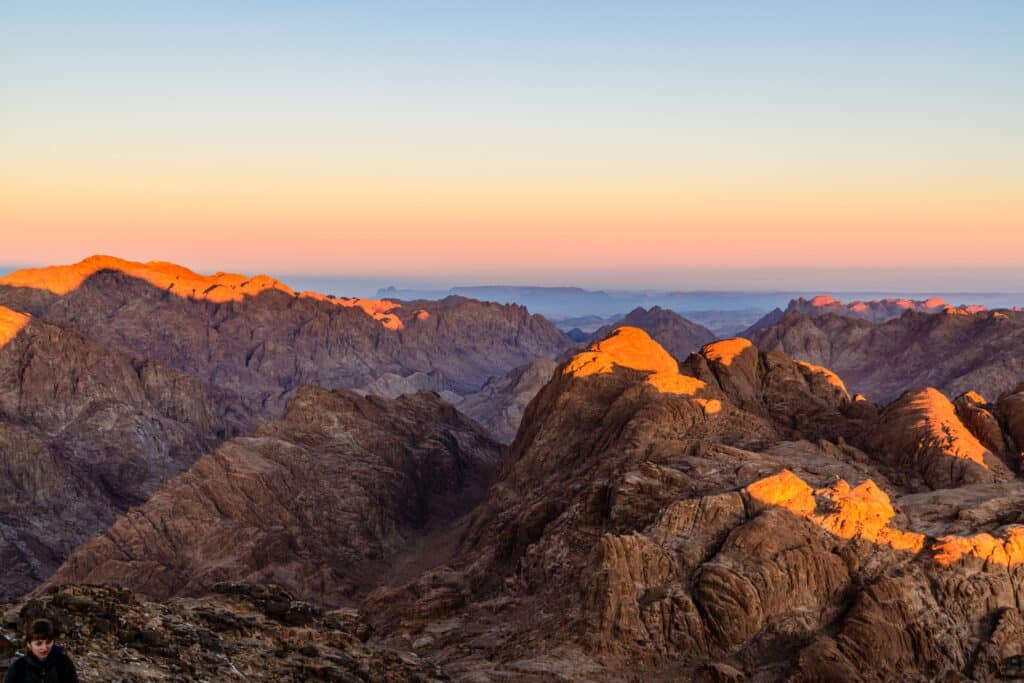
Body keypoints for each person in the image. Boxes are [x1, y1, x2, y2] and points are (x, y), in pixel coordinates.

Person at [2, 617, 79, 683]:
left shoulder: (63, 663)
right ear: (29, 644)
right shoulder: (18, 668)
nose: (44, 648)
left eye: (48, 642)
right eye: (39, 644)